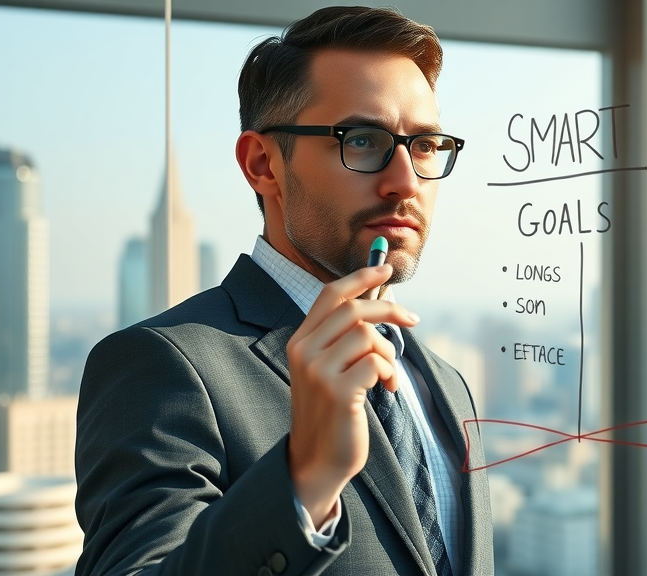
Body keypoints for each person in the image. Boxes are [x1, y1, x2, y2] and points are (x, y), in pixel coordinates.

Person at [74, 6, 493, 576]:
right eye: (363, 140)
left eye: (423, 146)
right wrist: (305, 476)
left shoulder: (446, 385)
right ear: (263, 163)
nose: (405, 181)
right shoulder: (161, 366)